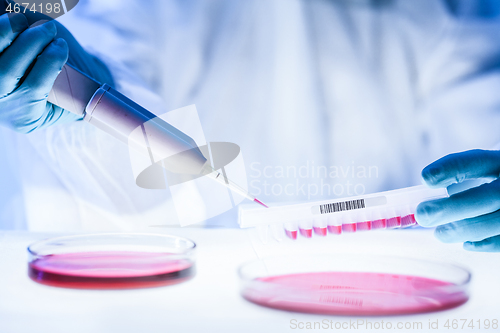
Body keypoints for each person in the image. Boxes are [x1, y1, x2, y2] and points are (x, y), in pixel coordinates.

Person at [0, 0, 500, 251]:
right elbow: (108, 61)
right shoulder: (145, 11)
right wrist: (89, 87)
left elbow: (483, 128)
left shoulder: (437, 16)